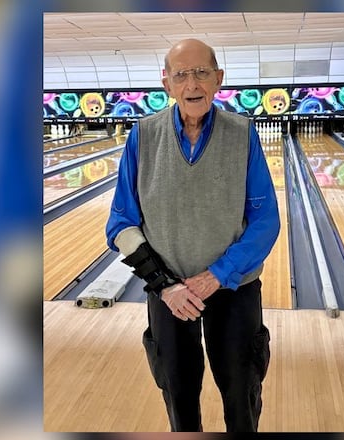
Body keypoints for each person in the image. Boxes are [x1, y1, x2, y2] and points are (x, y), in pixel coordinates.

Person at [105, 39, 280, 432]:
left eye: (202, 72)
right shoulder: (142, 136)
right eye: (181, 74)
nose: (192, 84)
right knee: (179, 400)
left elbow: (265, 220)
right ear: (167, 84)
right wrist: (165, 286)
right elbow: (120, 224)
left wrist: (218, 274)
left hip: (234, 289)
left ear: (219, 79)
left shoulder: (243, 134)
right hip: (169, 294)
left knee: (242, 397)